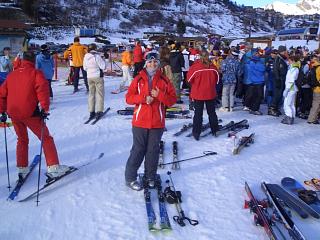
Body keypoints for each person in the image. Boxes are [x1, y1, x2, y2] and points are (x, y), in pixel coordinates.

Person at [0, 51, 70, 178]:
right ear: (33, 61)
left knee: (22, 139)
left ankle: (22, 168)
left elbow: (2, 94)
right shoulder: (36, 73)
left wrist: (2, 111)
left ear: (21, 60)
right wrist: (44, 108)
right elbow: (43, 91)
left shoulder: (12, 75)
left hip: (13, 113)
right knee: (46, 138)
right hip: (30, 113)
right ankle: (53, 167)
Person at [125, 51, 176, 191]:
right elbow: (129, 98)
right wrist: (142, 98)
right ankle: (130, 178)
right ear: (146, 63)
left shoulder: (164, 80)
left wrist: (160, 95)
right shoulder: (138, 79)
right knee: (138, 150)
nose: (152, 64)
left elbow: (172, 100)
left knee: (153, 151)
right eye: (150, 62)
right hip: (140, 121)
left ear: (158, 63)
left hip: (157, 123)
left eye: (155, 62)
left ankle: (150, 177)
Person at [187, 50, 220, 140]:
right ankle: (215, 129)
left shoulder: (195, 67)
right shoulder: (213, 67)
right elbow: (217, 80)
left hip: (198, 94)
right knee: (212, 113)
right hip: (210, 93)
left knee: (198, 114)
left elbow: (189, 79)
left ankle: (196, 132)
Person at [83, 43, 107, 120]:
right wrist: (104, 59)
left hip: (89, 77)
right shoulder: (97, 56)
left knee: (91, 94)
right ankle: (99, 111)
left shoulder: (86, 56)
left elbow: (84, 68)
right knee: (99, 94)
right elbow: (103, 66)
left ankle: (91, 112)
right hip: (97, 76)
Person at [269, 45, 288, 116]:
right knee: (277, 94)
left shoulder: (282, 58)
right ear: (281, 51)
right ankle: (272, 108)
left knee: (279, 95)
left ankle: (276, 108)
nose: (285, 52)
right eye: (284, 51)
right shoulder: (278, 59)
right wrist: (277, 79)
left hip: (282, 78)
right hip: (279, 79)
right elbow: (276, 69)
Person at [282, 54, 300, 124]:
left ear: (292, 61)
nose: (288, 61)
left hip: (291, 89)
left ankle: (288, 117)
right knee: (291, 104)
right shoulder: (292, 68)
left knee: (287, 104)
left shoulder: (294, 69)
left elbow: (291, 80)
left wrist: (287, 89)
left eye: (289, 60)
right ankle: (291, 117)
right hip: (292, 88)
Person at [307, 55, 320, 124]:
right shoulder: (319, 68)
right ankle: (311, 119)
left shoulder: (314, 66)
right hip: (318, 89)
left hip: (315, 88)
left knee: (316, 104)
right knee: (316, 104)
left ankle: (313, 118)